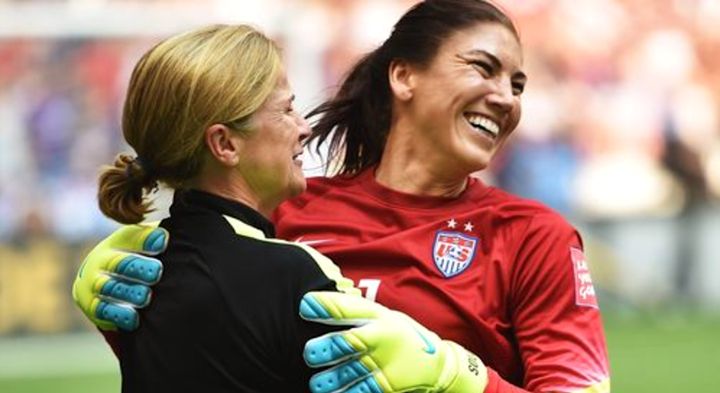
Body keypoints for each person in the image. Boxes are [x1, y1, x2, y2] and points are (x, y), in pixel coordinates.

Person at [73, 1, 611, 392]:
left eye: (518, 85)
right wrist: (134, 297)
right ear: (404, 76)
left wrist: (458, 378)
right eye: (482, 68)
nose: (504, 98)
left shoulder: (534, 238)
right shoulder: (283, 218)